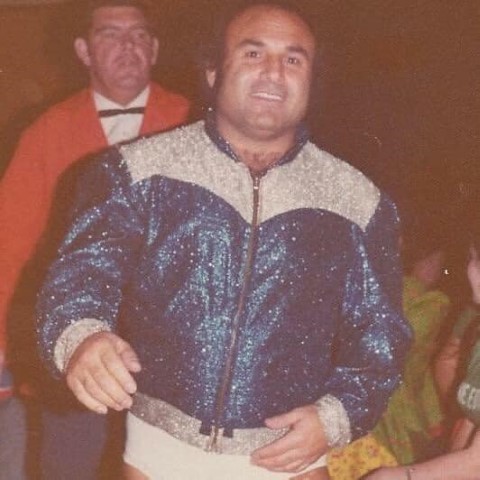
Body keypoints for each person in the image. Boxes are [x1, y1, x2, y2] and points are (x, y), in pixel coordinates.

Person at [36, 1, 411, 479]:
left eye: (293, 59)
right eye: (253, 53)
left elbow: (381, 336)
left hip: (291, 457)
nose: (274, 72)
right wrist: (81, 337)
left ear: (312, 81)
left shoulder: (358, 202)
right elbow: (79, 279)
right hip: (159, 450)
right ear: (213, 71)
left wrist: (338, 417)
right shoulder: (135, 173)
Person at [0, 0, 189, 478]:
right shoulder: (45, 134)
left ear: (155, 48)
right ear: (83, 51)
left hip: (175, 364)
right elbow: (9, 246)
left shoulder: (195, 122)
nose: (127, 46)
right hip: (73, 358)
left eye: (139, 35)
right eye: (110, 34)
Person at [363, 246, 480, 480]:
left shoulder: (428, 303)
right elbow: (471, 421)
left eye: (475, 260)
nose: (470, 269)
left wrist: (398, 476)